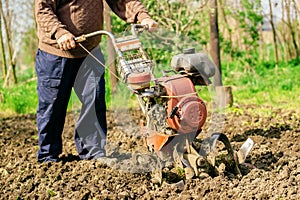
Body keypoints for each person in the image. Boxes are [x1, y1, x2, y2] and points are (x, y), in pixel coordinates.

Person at [34, 0, 157, 163]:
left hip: (90, 51)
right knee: (52, 106)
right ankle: (48, 156)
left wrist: (142, 16)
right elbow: (43, 9)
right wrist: (59, 32)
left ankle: (92, 152)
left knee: (94, 101)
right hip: (55, 54)